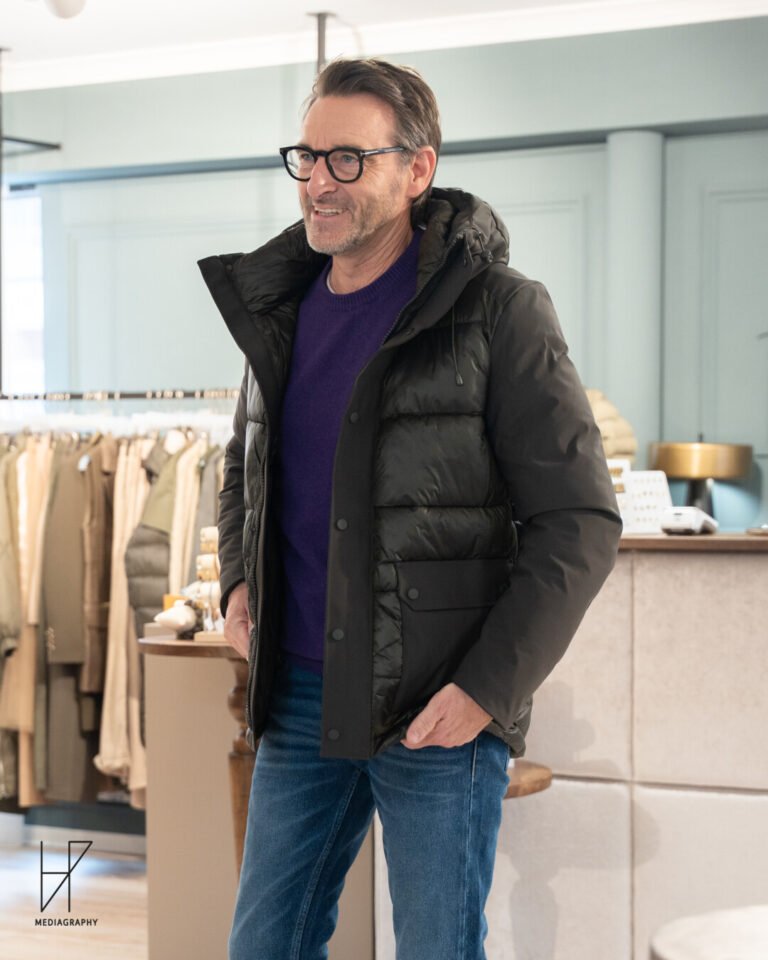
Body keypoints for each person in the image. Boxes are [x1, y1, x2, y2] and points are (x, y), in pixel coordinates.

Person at [198, 57, 622, 960]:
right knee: (262, 946)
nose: (318, 182)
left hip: (437, 703)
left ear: (417, 169)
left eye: (348, 159)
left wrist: (487, 690)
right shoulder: (280, 309)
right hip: (300, 692)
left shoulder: (500, 310)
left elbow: (580, 522)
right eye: (307, 157)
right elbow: (245, 465)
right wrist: (238, 579)